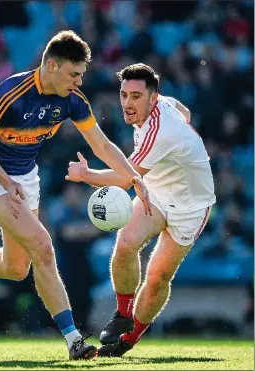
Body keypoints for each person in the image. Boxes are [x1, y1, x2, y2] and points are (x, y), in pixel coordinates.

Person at [0, 30, 151, 361]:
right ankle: (73, 340)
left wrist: (133, 176)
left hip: (25, 177)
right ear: (51, 66)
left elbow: (101, 144)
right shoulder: (10, 95)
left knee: (17, 267)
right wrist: (5, 181)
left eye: (81, 75)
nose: (79, 82)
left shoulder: (71, 99)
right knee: (42, 245)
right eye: (74, 74)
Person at [65, 63, 216, 356]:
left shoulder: (161, 130)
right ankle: (122, 314)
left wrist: (86, 175)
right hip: (156, 192)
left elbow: (125, 178)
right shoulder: (165, 104)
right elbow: (184, 112)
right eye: (124, 95)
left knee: (158, 276)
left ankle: (129, 339)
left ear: (152, 98)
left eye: (136, 96)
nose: (127, 103)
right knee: (125, 244)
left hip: (191, 206)